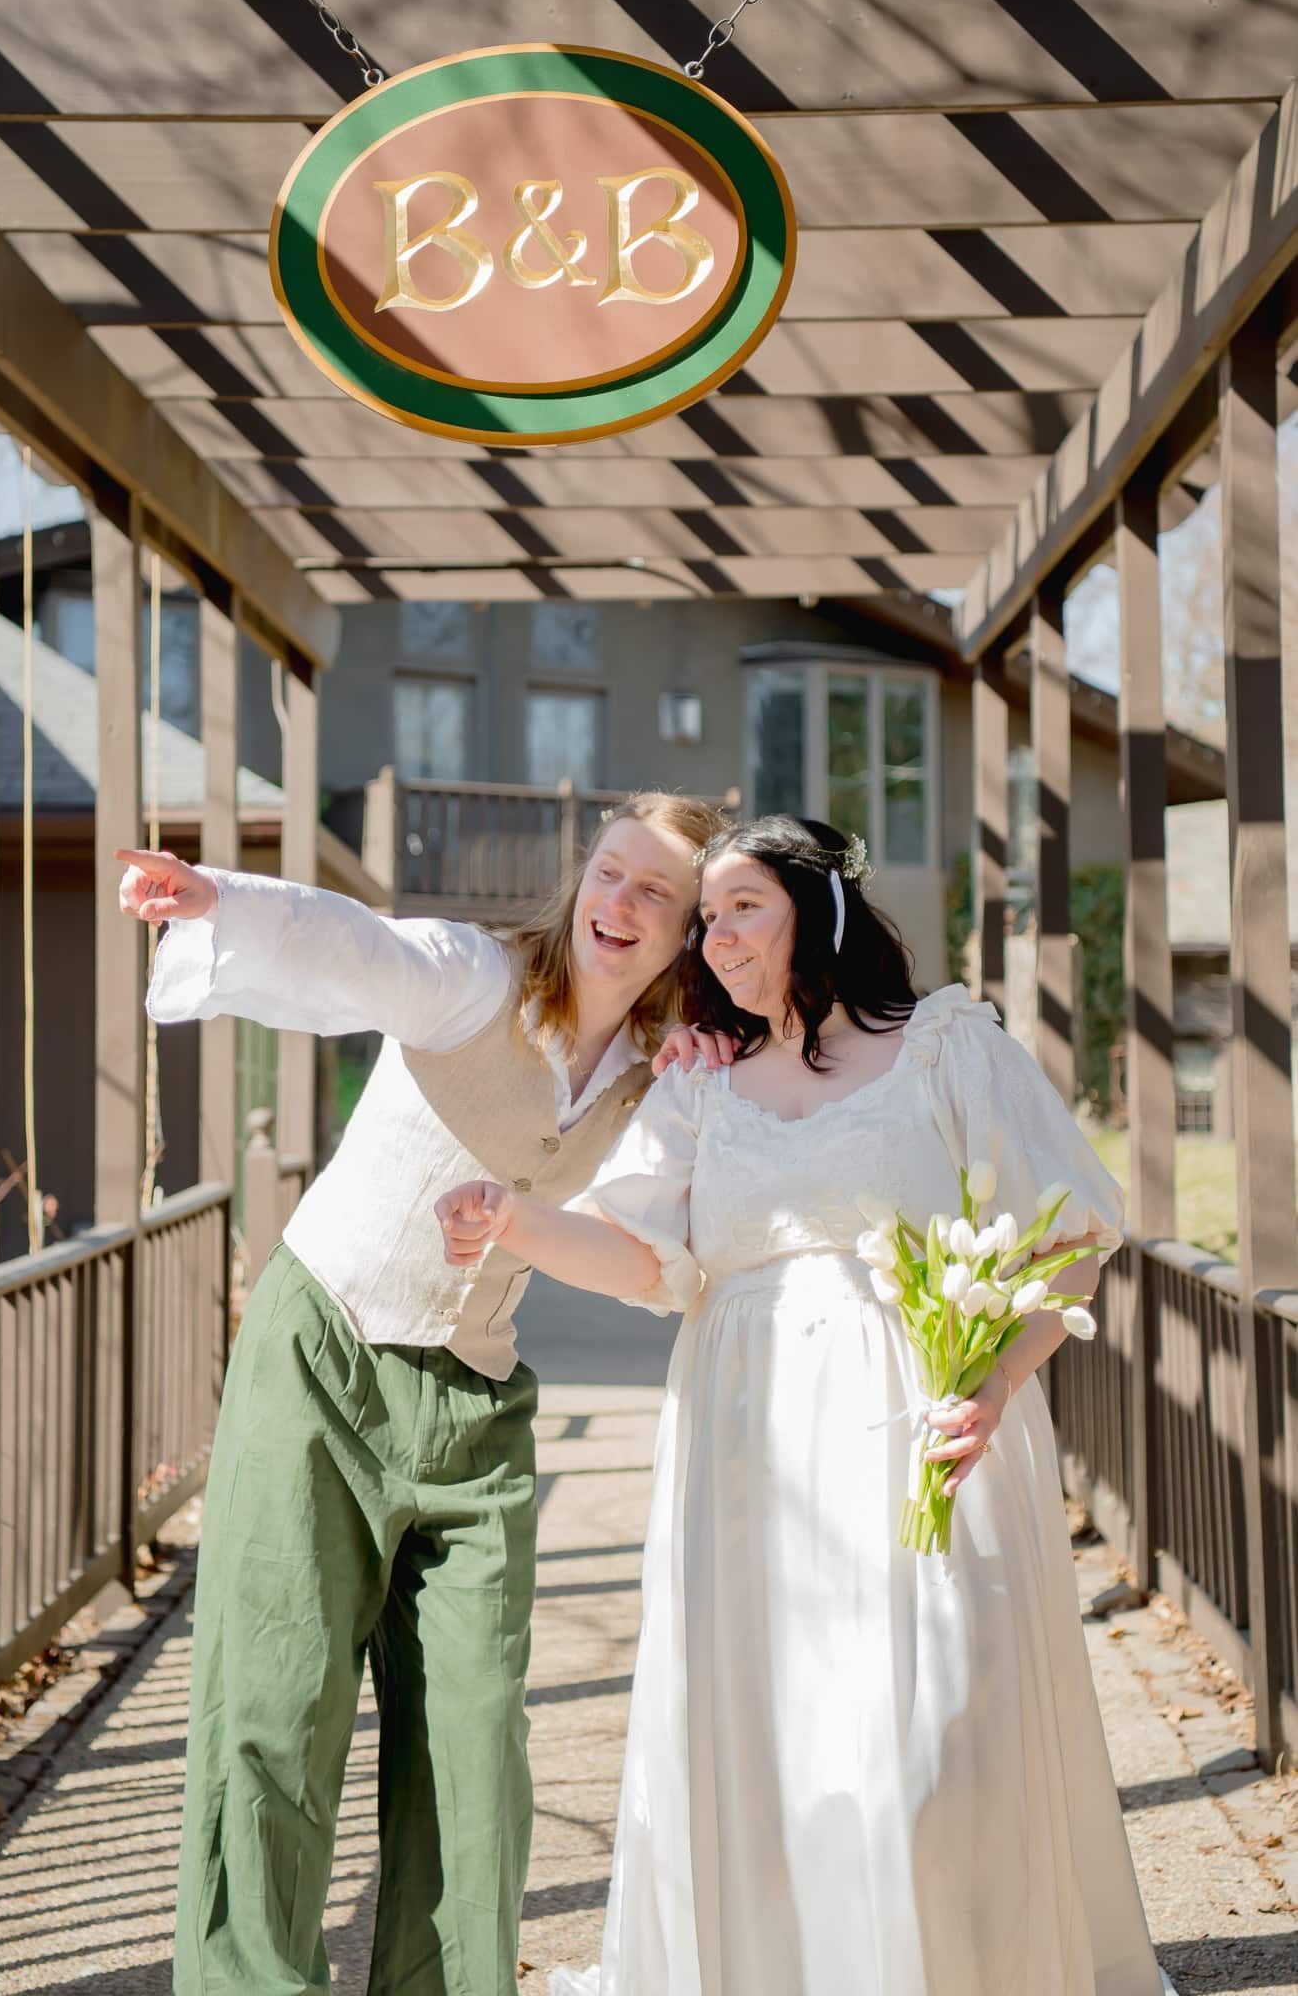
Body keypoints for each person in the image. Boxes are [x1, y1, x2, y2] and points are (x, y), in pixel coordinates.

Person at [436, 814, 1167, 1996]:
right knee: (778, 1732)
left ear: (814, 909)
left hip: (916, 1423)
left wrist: (991, 1382)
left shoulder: (943, 1046)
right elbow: (640, 1259)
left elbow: (1073, 1237)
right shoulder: (702, 1090)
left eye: (740, 907)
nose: (713, 935)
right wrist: (513, 1220)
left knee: (932, 1734)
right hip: (746, 1444)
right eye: (706, 916)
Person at [113, 789, 726, 1996]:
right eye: (610, 872)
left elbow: (665, 1237)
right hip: (323, 1354)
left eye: (658, 893)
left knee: (473, 1737)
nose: (620, 902)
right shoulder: (476, 977)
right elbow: (359, 945)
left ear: (686, 931)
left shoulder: (659, 1073)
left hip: (477, 1401)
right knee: (275, 1703)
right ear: (580, 878)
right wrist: (218, 899)